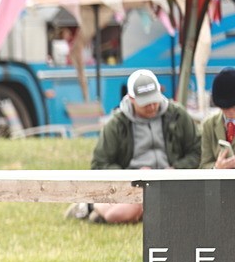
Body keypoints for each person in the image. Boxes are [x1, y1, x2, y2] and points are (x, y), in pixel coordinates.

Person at [84, 68, 200, 223]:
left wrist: (176, 169)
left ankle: (94, 208)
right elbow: (99, 164)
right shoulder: (116, 124)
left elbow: (197, 151)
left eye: (154, 100)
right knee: (126, 209)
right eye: (145, 103)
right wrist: (132, 175)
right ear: (131, 99)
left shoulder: (178, 115)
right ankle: (97, 207)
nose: (152, 106)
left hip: (171, 183)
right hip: (133, 185)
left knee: (120, 214)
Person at [200, 67, 235, 170]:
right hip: (219, 184)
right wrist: (217, 168)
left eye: (233, 107)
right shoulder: (209, 125)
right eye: (225, 108)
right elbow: (203, 165)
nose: (230, 112)